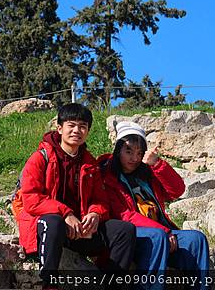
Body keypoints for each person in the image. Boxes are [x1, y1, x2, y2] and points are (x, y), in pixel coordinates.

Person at [14, 103, 136, 289]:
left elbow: (100, 201)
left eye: (82, 126)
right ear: (60, 127)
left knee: (124, 230)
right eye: (71, 125)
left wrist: (95, 214)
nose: (76, 130)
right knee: (53, 222)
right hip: (49, 228)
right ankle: (49, 283)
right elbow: (31, 200)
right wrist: (66, 214)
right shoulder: (41, 158)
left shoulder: (90, 164)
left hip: (80, 230)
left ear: (88, 131)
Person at [99, 121, 209, 290]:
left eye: (139, 153)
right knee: (157, 236)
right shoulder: (107, 176)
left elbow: (177, 190)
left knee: (196, 239)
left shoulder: (147, 173)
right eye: (128, 151)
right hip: (132, 236)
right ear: (117, 150)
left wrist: (157, 164)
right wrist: (164, 231)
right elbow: (125, 215)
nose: (134, 158)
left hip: (162, 233)